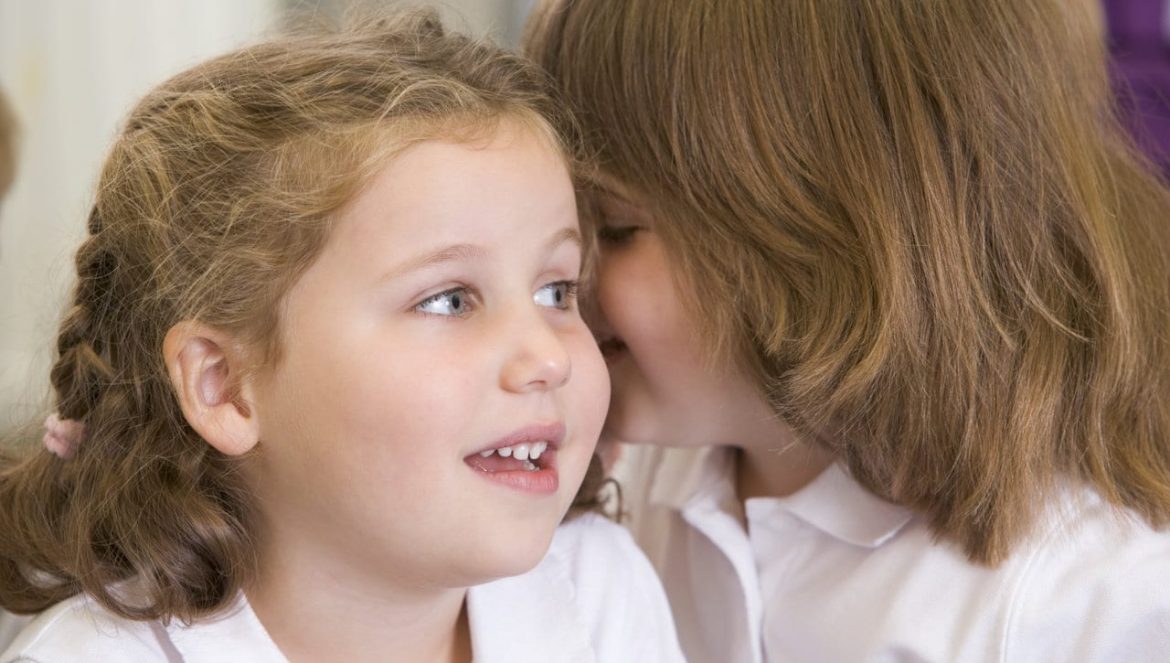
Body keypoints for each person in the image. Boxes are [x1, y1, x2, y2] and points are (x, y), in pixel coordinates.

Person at [0, 12, 682, 662]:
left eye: (557, 291)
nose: (549, 355)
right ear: (226, 386)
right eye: (447, 299)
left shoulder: (600, 589)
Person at [525, 0, 1170, 661]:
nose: (568, 274)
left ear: (818, 239)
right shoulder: (640, 469)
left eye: (615, 227)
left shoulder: (1092, 604)